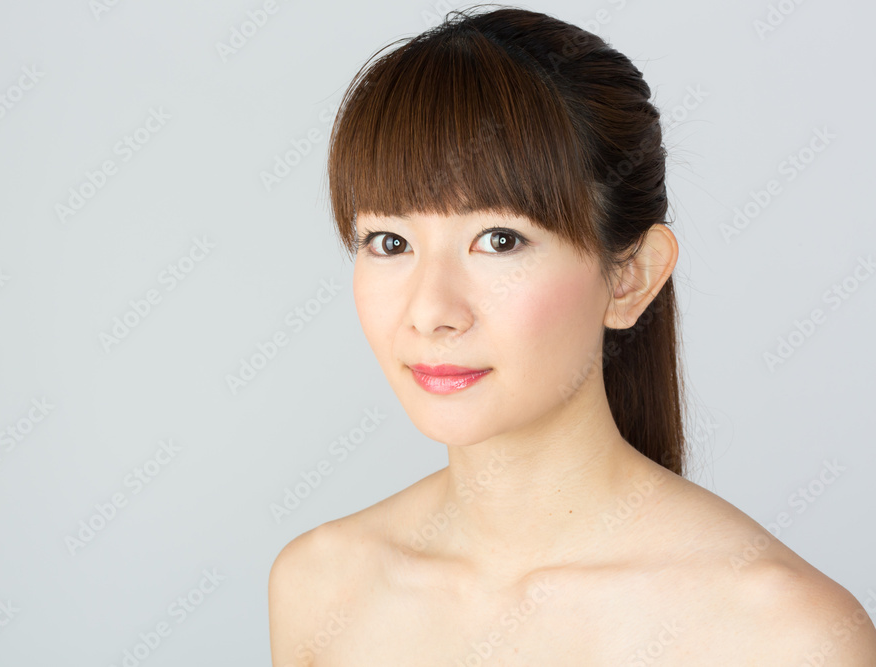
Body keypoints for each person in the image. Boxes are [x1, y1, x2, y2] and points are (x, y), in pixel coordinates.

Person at [269, 6, 876, 664]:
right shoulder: (321, 588)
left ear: (631, 278)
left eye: (499, 240)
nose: (431, 311)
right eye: (390, 242)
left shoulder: (785, 634)